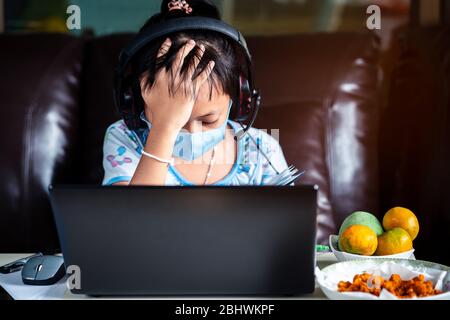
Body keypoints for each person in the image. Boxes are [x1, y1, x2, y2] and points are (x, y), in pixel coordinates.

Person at [102, 0, 289, 186]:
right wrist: (164, 129)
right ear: (135, 100)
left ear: (239, 98)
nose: (191, 134)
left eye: (208, 121)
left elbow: (292, 214)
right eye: (176, 120)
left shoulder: (262, 150)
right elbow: (130, 214)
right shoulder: (124, 139)